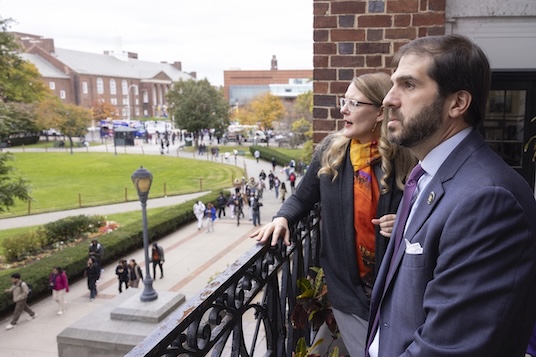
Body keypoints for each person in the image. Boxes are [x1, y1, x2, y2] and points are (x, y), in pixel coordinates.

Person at [366, 34, 536, 357]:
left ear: (457, 103)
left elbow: (447, 348)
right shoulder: (426, 177)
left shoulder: (488, 200)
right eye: (392, 85)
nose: (388, 99)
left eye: (409, 85)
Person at [251, 72, 416, 356]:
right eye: (344, 101)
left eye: (354, 103)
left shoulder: (406, 155)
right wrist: (281, 218)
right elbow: (302, 197)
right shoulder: (332, 150)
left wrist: (404, 221)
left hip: (394, 286)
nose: (343, 109)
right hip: (346, 289)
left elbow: (423, 212)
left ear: (380, 112)